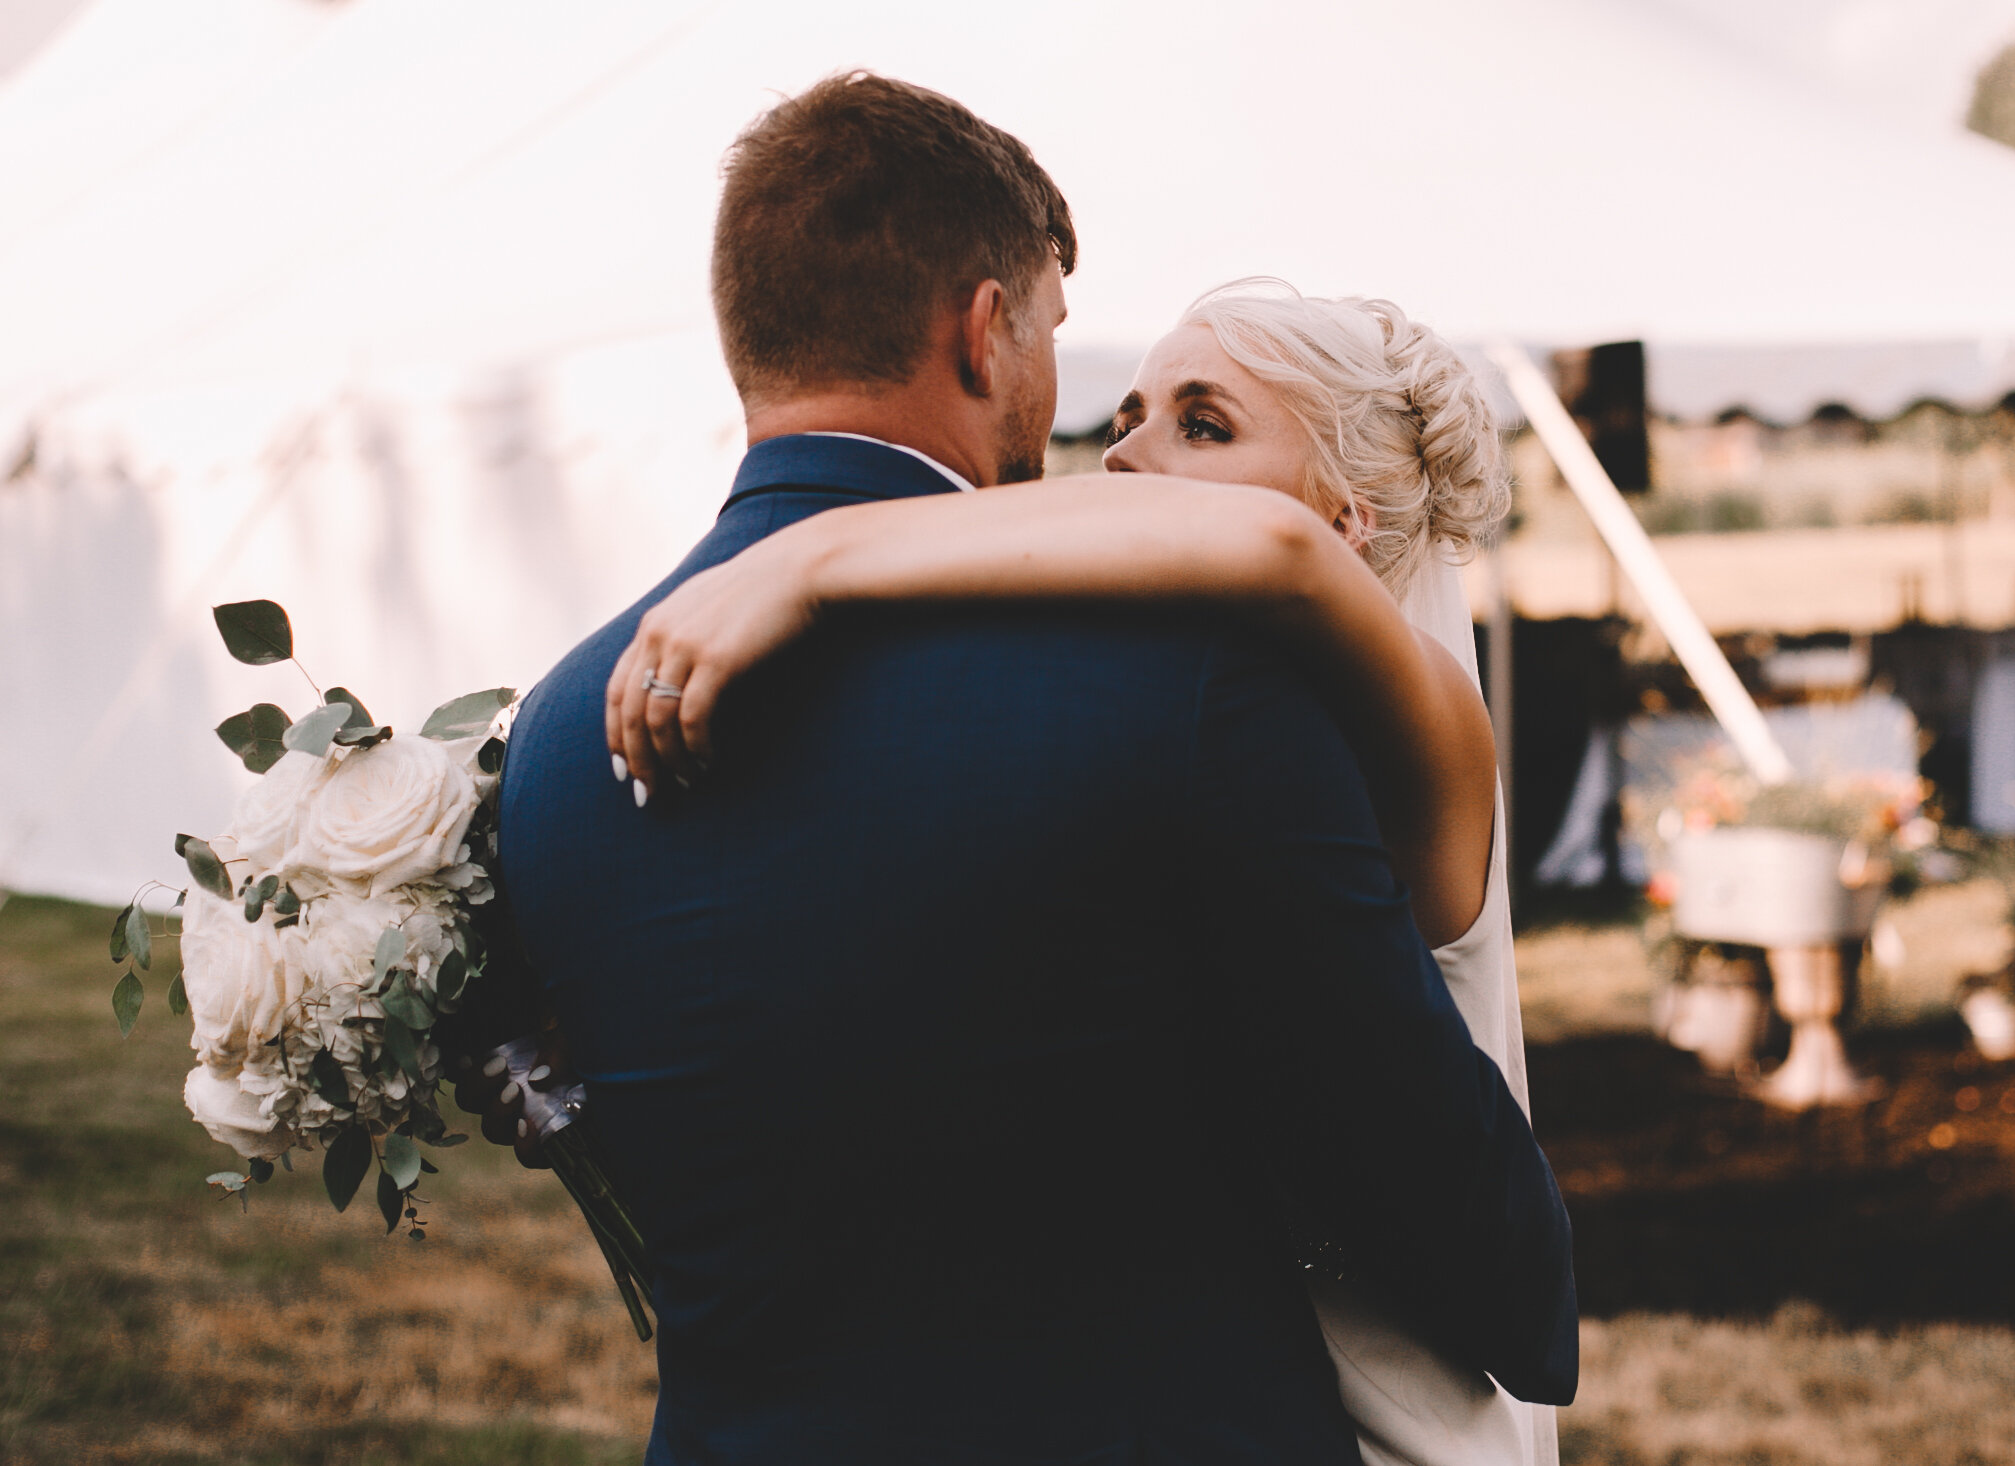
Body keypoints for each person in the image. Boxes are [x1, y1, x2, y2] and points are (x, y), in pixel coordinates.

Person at [497, 71, 1575, 1466]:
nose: (1112, 448)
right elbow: (1417, 1177)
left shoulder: (563, 738)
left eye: (1199, 421)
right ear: (987, 327)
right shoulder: (1180, 700)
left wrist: (815, 550)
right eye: (1086, 360)